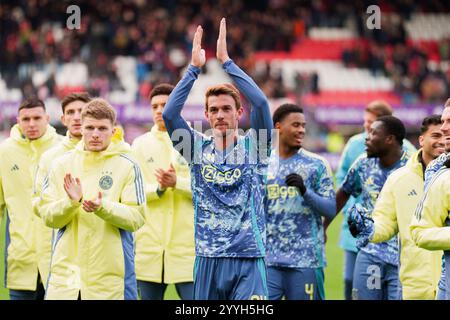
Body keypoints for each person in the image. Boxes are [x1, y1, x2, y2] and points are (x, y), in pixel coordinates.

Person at [162, 18, 273, 300]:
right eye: (214, 110)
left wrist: (227, 63)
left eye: (227, 108)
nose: (221, 114)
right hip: (208, 257)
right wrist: (193, 70)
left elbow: (260, 103)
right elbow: (170, 116)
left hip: (248, 257)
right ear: (207, 115)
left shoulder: (256, 147)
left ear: (239, 113)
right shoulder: (195, 148)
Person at [37, 99, 145, 300]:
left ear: (113, 131)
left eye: (102, 128)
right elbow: (48, 217)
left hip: (108, 282)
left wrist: (102, 207)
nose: (95, 134)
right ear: (81, 129)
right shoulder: (60, 164)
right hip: (66, 281)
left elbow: (136, 218)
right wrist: (70, 203)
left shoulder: (128, 166)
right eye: (90, 128)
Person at [348, 115, 445, 299]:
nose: (442, 141)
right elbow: (385, 222)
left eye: (446, 136)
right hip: (415, 284)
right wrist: (369, 228)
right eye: (436, 135)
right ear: (421, 140)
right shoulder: (399, 179)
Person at [334, 100, 416, 300]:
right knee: (350, 286)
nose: (366, 137)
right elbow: (342, 189)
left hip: (403, 254)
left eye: (372, 130)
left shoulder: (412, 165)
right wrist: (322, 226)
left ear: (389, 139)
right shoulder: (361, 157)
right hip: (368, 246)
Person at [265, 104, 335, 300]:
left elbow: (330, 209)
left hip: (306, 260)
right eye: (295, 125)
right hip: (269, 260)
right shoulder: (263, 164)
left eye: (303, 126)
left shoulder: (316, 164)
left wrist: (305, 191)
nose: (301, 130)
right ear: (278, 127)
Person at [132, 84, 195, 300]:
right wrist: (158, 189)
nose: (159, 110)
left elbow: (209, 190)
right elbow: (132, 191)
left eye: (165, 105)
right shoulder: (138, 145)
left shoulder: (194, 142)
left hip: (188, 249)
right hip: (149, 248)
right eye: (154, 106)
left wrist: (178, 182)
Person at [0, 97, 61, 300]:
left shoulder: (63, 149)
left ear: (48, 118)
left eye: (37, 117)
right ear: (18, 120)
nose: (32, 124)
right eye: (26, 119)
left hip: (59, 261)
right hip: (20, 258)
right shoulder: (4, 152)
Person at [33, 92, 91, 290]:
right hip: (63, 246)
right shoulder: (50, 158)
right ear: (63, 119)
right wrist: (68, 205)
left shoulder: (108, 152)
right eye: (71, 112)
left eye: (81, 112)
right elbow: (39, 203)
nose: (76, 117)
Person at [410, 99, 450, 300]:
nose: (444, 128)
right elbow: (419, 231)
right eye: (443, 121)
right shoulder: (441, 173)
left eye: (449, 121)